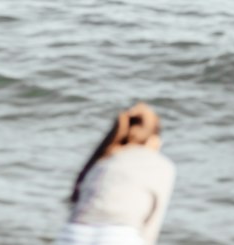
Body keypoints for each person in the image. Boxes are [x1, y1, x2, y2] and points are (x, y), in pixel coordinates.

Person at [56, 102, 175, 245]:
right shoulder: (161, 165)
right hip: (119, 236)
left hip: (73, 233)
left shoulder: (104, 159)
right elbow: (152, 226)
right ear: (153, 139)